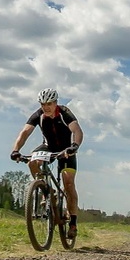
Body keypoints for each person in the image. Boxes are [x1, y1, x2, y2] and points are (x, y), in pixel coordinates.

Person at [10, 88, 84, 238]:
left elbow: (77, 131)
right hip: (48, 147)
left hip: (66, 149)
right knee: (32, 162)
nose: (46, 107)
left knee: (68, 183)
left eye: (49, 104)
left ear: (56, 102)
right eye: (43, 104)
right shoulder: (38, 115)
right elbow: (25, 133)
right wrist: (16, 150)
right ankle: (47, 190)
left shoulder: (64, 112)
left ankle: (73, 222)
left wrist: (74, 146)